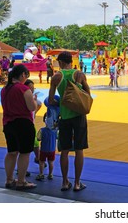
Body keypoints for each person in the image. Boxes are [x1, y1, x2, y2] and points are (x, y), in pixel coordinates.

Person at [48, 51, 90, 192]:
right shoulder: (78, 74)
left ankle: (65, 182)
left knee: (64, 151)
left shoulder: (56, 77)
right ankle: (77, 183)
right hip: (78, 116)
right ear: (71, 61)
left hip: (64, 118)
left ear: (60, 62)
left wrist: (61, 101)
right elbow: (88, 94)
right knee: (79, 150)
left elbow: (51, 99)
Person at [1, 64, 38, 190]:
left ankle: (9, 179)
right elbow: (32, 107)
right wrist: (33, 99)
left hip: (8, 123)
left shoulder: (4, 89)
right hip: (23, 123)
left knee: (11, 152)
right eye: (26, 76)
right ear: (23, 75)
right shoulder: (23, 89)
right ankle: (21, 181)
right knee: (24, 153)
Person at [35, 98, 60, 181]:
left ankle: (41, 174)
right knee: (51, 162)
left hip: (43, 150)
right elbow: (57, 137)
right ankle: (50, 174)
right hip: (52, 149)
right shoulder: (55, 131)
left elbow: (38, 138)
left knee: (41, 162)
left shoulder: (42, 130)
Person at [24, 79, 42, 166]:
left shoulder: (33, 98)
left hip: (31, 124)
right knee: (27, 145)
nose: (32, 90)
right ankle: (22, 168)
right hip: (25, 124)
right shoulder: (24, 97)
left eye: (33, 88)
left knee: (35, 142)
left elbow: (39, 104)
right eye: (30, 88)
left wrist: (35, 113)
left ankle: (38, 158)